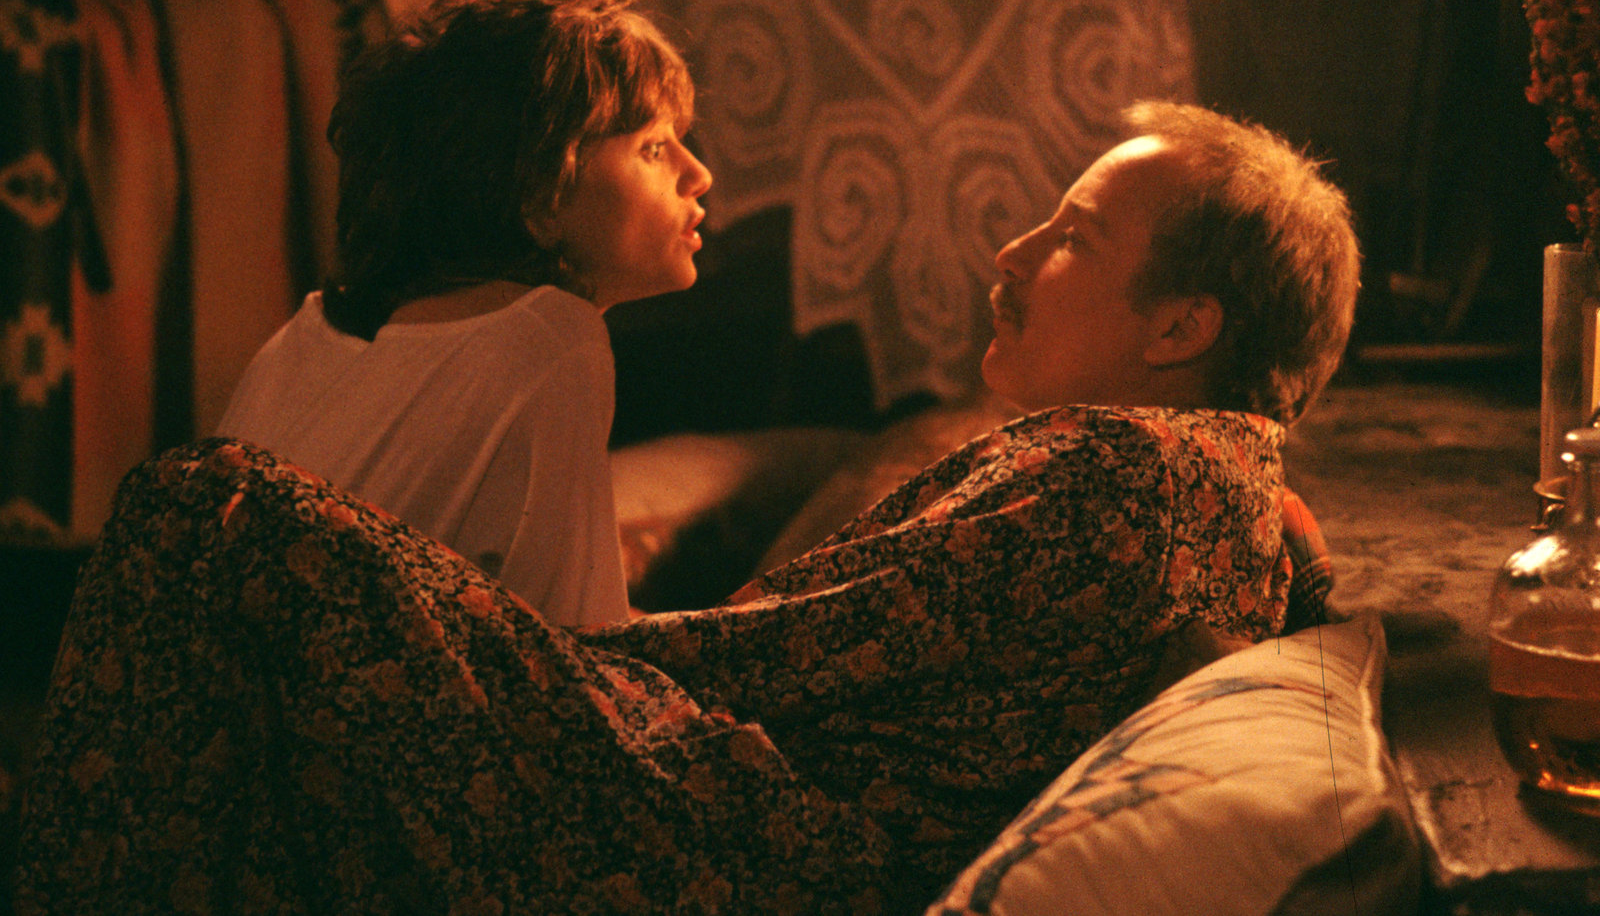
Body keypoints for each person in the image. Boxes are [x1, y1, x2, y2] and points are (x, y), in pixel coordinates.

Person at [14, 102, 1359, 914]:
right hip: (736, 804)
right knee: (245, 595)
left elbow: (775, 660)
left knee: (211, 507)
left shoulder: (1124, 475)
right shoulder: (1213, 480)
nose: (1011, 253)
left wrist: (489, 638)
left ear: (1182, 325)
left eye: (1072, 238)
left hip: (731, 842)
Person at [215, 0, 713, 626]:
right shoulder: (549, 340)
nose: (698, 173)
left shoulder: (302, 338)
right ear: (539, 193)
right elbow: (577, 644)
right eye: (653, 148)